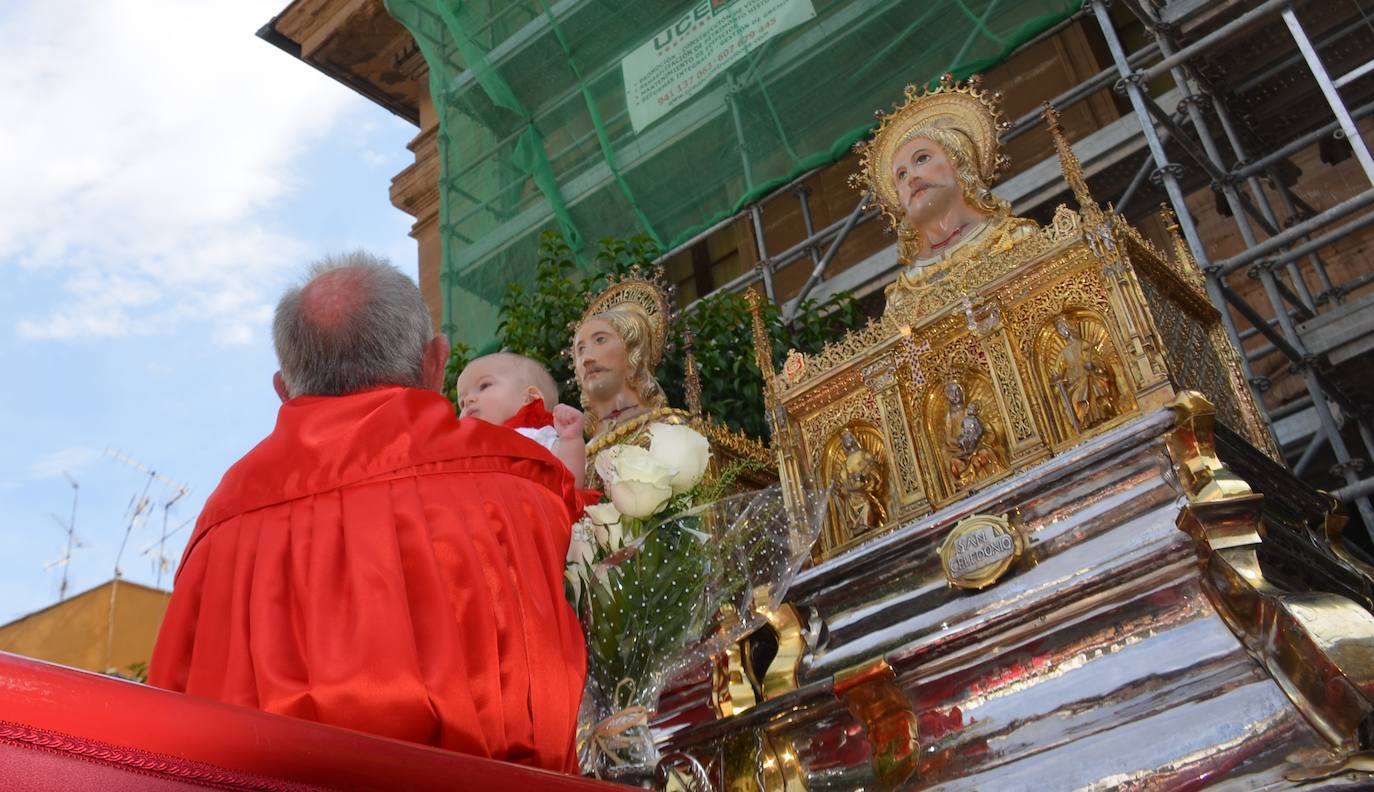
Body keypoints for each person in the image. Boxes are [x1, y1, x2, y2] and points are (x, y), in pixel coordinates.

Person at [148, 252, 586, 774]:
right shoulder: (524, 484)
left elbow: (169, 735)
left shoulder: (216, 538)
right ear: (436, 362)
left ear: (284, 390)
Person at [851, 74, 1038, 310]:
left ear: (960, 162)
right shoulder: (903, 298)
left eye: (922, 159)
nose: (911, 178)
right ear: (898, 203)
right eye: (901, 175)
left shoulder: (1017, 239)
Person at [456, 352, 587, 488]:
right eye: (461, 403)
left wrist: (570, 441)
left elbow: (571, 486)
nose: (467, 401)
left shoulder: (530, 437)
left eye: (484, 386)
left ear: (530, 398)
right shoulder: (464, 456)